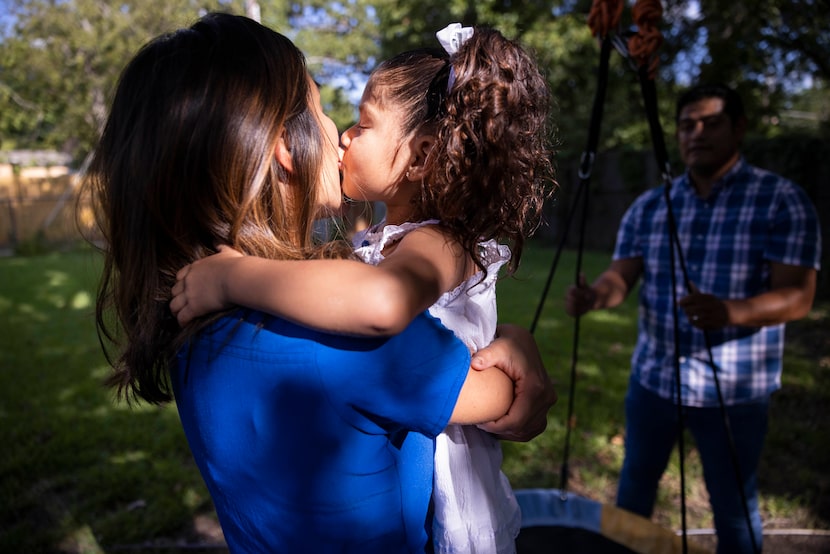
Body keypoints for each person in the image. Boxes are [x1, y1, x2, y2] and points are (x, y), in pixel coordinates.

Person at [84, 12, 555, 553]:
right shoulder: (352, 341)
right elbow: (508, 396)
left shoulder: (192, 311)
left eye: (358, 120)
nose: (339, 134)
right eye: (322, 108)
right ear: (285, 145)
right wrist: (515, 347)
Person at [564, 83, 821, 554]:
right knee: (634, 491)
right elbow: (621, 277)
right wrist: (593, 297)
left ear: (739, 127)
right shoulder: (650, 205)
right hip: (654, 381)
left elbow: (798, 297)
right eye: (686, 125)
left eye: (711, 123)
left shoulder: (781, 199)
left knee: (733, 507)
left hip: (736, 389)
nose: (696, 133)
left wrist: (731, 312)